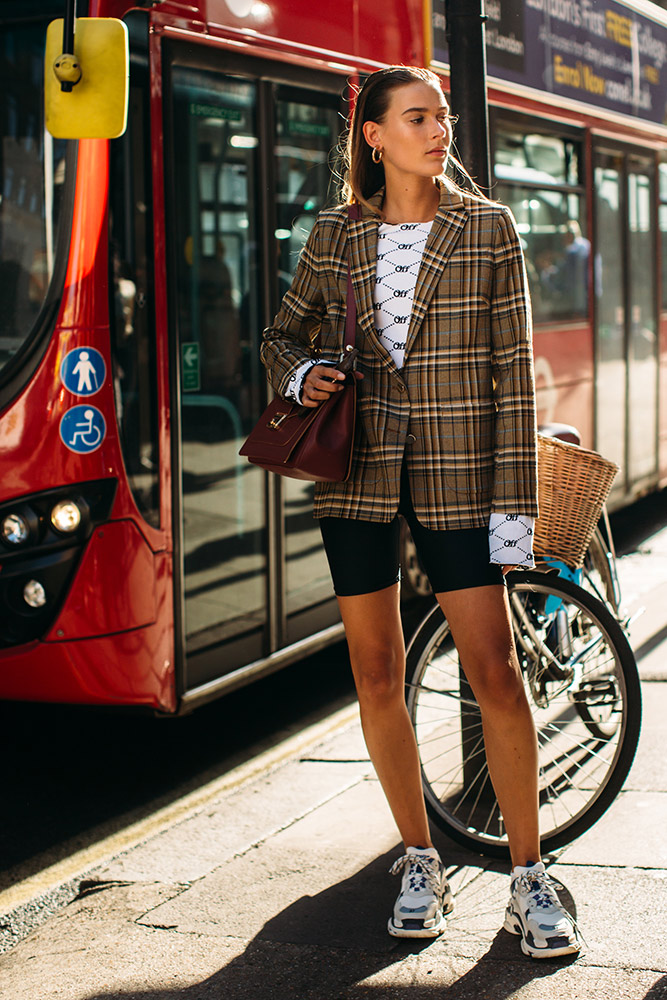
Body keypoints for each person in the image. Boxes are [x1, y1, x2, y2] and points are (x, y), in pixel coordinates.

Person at [260, 66, 581, 960]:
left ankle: (528, 876)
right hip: (357, 474)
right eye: (417, 116)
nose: (438, 129)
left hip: (462, 477)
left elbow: (511, 380)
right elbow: (282, 332)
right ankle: (417, 857)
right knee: (374, 673)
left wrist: (512, 508)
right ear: (372, 135)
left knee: (495, 671)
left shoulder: (487, 229)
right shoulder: (335, 235)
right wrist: (300, 373)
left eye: (441, 115)